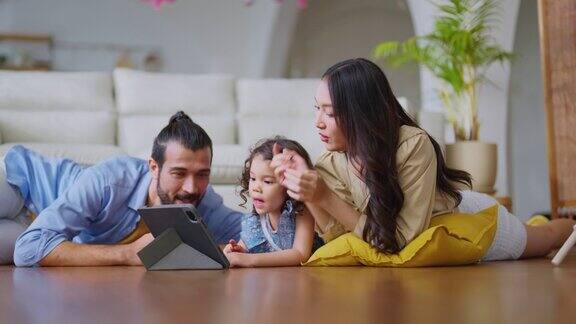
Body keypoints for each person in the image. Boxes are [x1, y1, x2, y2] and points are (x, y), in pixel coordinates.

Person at [270, 58, 576, 261]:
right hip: (426, 223)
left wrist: (324, 195)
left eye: (331, 112)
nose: (318, 122)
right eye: (316, 108)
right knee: (537, 231)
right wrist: (308, 194)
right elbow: (341, 235)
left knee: (547, 238)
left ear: (362, 113)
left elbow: (401, 240)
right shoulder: (330, 162)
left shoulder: (412, 145)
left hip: (467, 218)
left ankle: (568, 222)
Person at [0, 111, 242, 267]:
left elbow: (260, 234)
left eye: (202, 174)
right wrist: (128, 254)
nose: (191, 188)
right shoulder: (111, 180)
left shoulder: (203, 201)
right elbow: (30, 247)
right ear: (154, 168)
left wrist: (280, 183)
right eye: (178, 173)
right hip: (22, 184)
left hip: (31, 228)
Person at [223, 137, 322, 267]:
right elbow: (245, 245)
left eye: (268, 181)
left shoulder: (302, 211)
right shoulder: (258, 220)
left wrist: (249, 260)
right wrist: (237, 251)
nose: (256, 187)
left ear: (290, 183)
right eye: (253, 178)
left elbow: (300, 253)